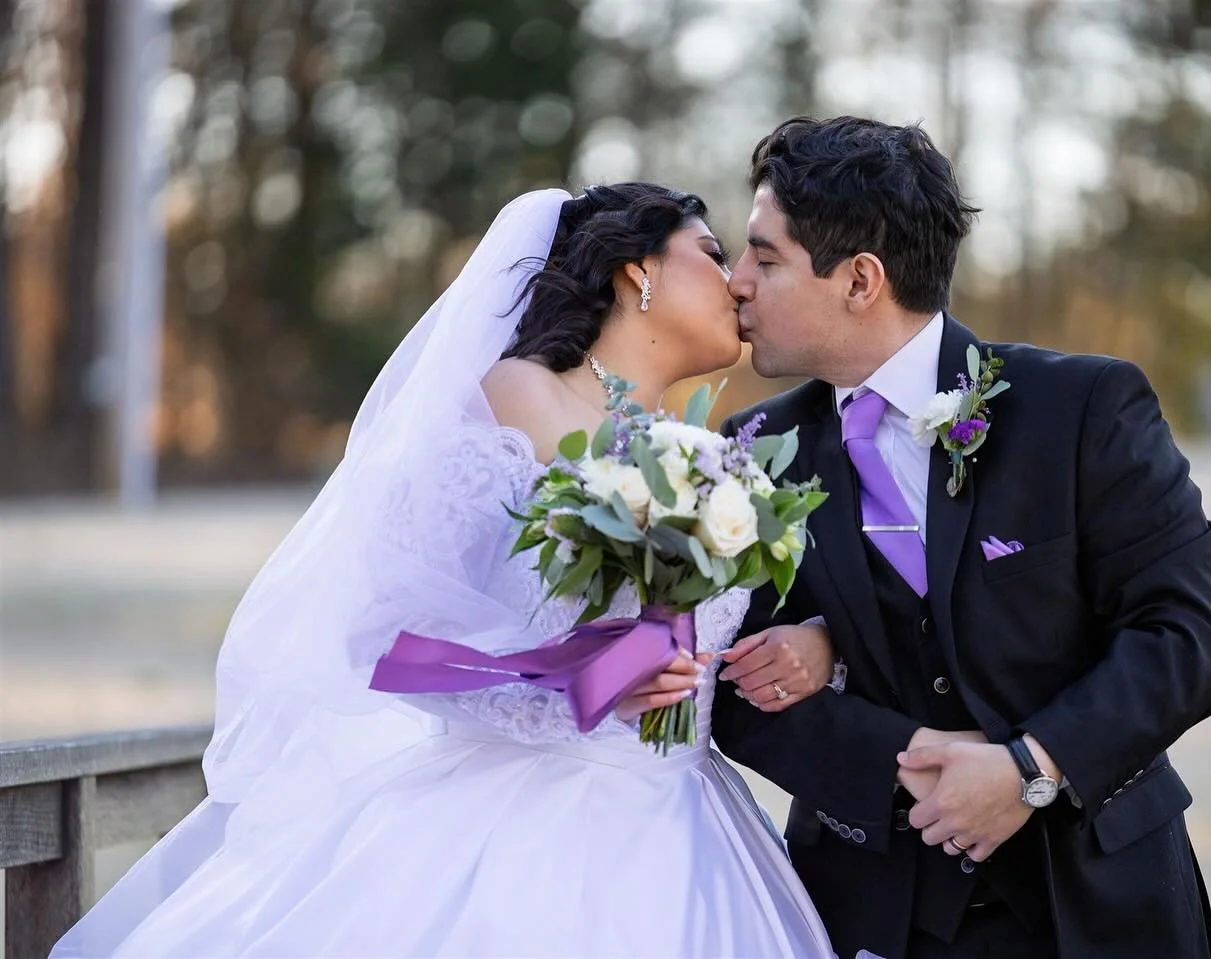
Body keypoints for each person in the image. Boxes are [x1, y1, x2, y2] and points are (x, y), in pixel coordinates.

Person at [52, 184, 838, 957]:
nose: (737, 279)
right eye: (712, 253)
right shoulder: (516, 399)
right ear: (637, 271)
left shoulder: (707, 453)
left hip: (689, 826)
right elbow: (385, 632)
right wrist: (578, 687)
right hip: (528, 828)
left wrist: (817, 647)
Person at [711, 116, 1211, 959]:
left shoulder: (1084, 409)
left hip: (1102, 903)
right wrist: (911, 754)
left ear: (859, 280)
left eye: (764, 257)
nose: (735, 282)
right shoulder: (747, 453)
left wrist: (1033, 764)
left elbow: (1187, 639)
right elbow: (729, 687)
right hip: (877, 909)